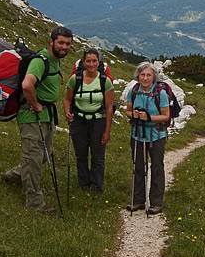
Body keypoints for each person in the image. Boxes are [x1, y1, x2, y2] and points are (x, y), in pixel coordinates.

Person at [2, 26, 73, 212]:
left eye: (67, 44)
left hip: (46, 117)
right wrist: (35, 105)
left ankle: (15, 175)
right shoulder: (41, 60)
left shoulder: (54, 60)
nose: (64, 47)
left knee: (44, 155)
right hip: (32, 116)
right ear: (52, 42)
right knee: (33, 158)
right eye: (61, 43)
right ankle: (35, 203)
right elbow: (27, 84)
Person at [62, 47, 114, 193]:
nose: (91, 64)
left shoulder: (105, 81)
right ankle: (84, 185)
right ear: (84, 62)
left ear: (99, 62)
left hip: (98, 121)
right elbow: (67, 100)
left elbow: (109, 107)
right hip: (78, 121)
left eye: (94, 61)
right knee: (81, 154)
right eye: (88, 61)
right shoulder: (75, 79)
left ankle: (97, 187)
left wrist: (107, 131)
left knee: (98, 156)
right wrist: (67, 112)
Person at [125, 61, 170, 215]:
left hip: (156, 135)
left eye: (148, 75)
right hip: (137, 134)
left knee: (157, 167)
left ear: (154, 77)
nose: (145, 78)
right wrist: (135, 115)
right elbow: (128, 111)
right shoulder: (134, 90)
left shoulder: (160, 93)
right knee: (138, 167)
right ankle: (138, 200)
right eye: (142, 75)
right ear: (138, 76)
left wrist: (148, 117)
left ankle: (156, 202)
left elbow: (166, 116)